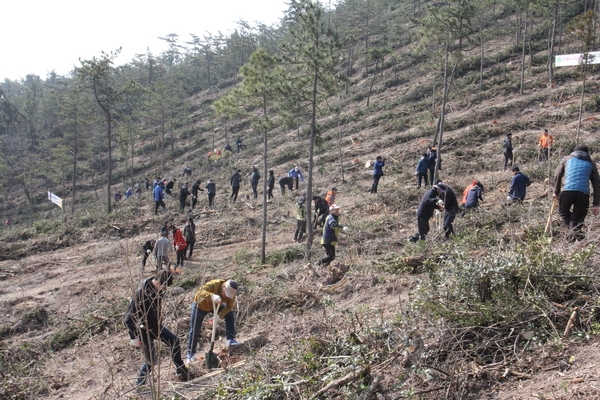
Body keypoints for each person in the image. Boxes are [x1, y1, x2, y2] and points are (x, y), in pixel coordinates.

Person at [124, 270, 189, 386]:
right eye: (164, 287)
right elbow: (128, 318)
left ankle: (181, 370)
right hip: (144, 330)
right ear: (158, 282)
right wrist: (133, 337)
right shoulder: (141, 294)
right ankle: (140, 383)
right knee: (151, 360)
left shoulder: (155, 289)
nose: (165, 290)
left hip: (156, 326)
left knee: (174, 341)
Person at [553, 144, 600, 241]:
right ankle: (578, 237)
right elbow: (597, 184)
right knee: (577, 218)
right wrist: (596, 204)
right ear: (587, 153)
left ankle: (572, 239)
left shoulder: (566, 159)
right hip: (583, 194)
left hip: (567, 191)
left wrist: (556, 192)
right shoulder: (591, 164)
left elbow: (557, 174)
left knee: (563, 212)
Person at [186, 279, 239, 364]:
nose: (226, 297)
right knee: (195, 328)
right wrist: (211, 296)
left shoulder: (232, 293)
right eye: (226, 294)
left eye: (229, 296)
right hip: (200, 306)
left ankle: (230, 339)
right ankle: (190, 353)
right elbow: (200, 292)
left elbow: (229, 307)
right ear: (223, 287)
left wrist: (218, 316)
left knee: (229, 314)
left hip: (214, 306)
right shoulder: (214, 284)